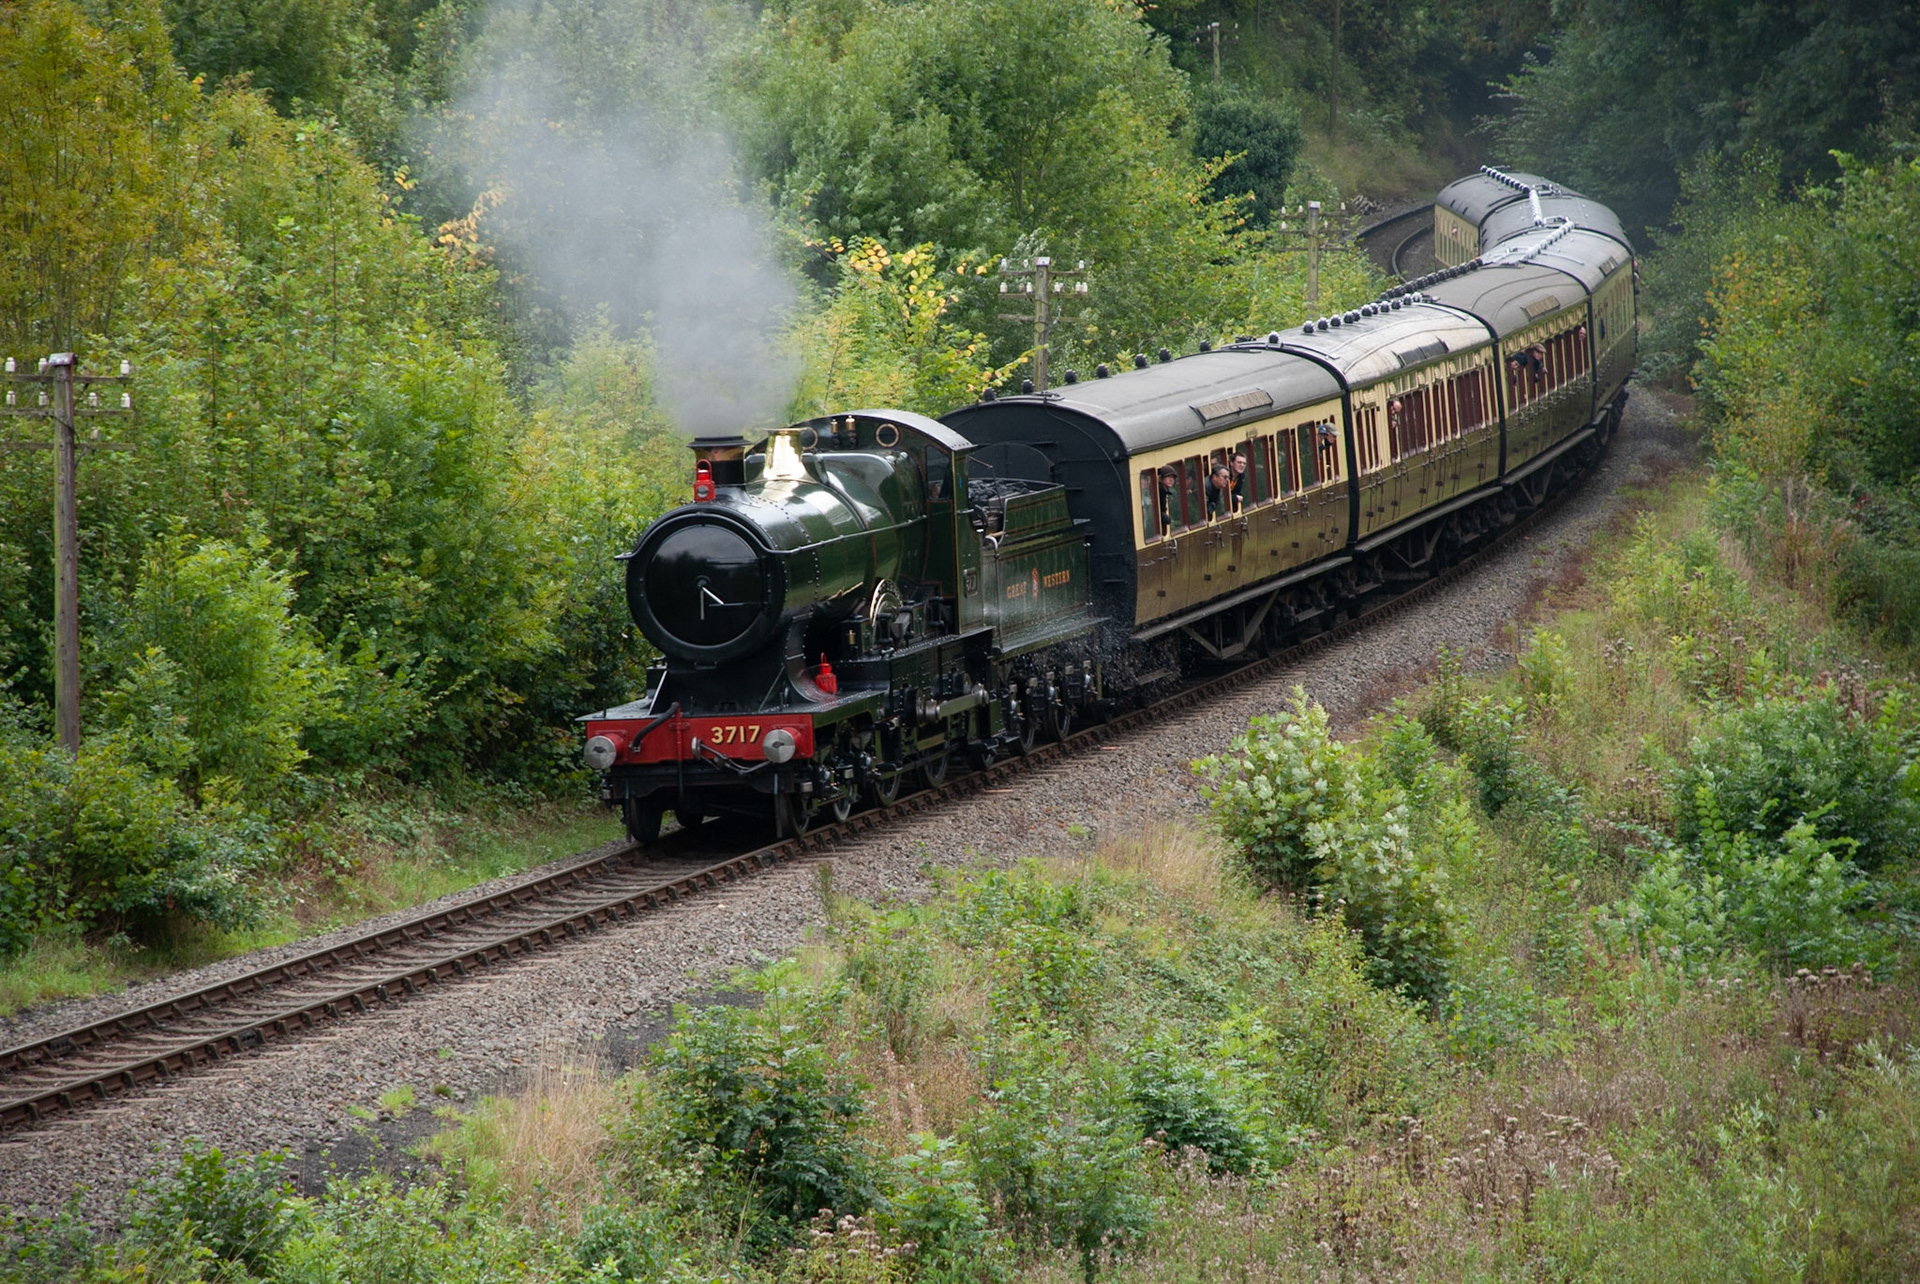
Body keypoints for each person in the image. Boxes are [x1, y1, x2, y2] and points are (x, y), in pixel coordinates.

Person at [1157, 464, 1179, 534]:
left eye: (1173, 477)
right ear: (1161, 478)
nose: (1171, 480)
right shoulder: (1160, 491)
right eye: (1168, 476)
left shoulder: (1165, 490)